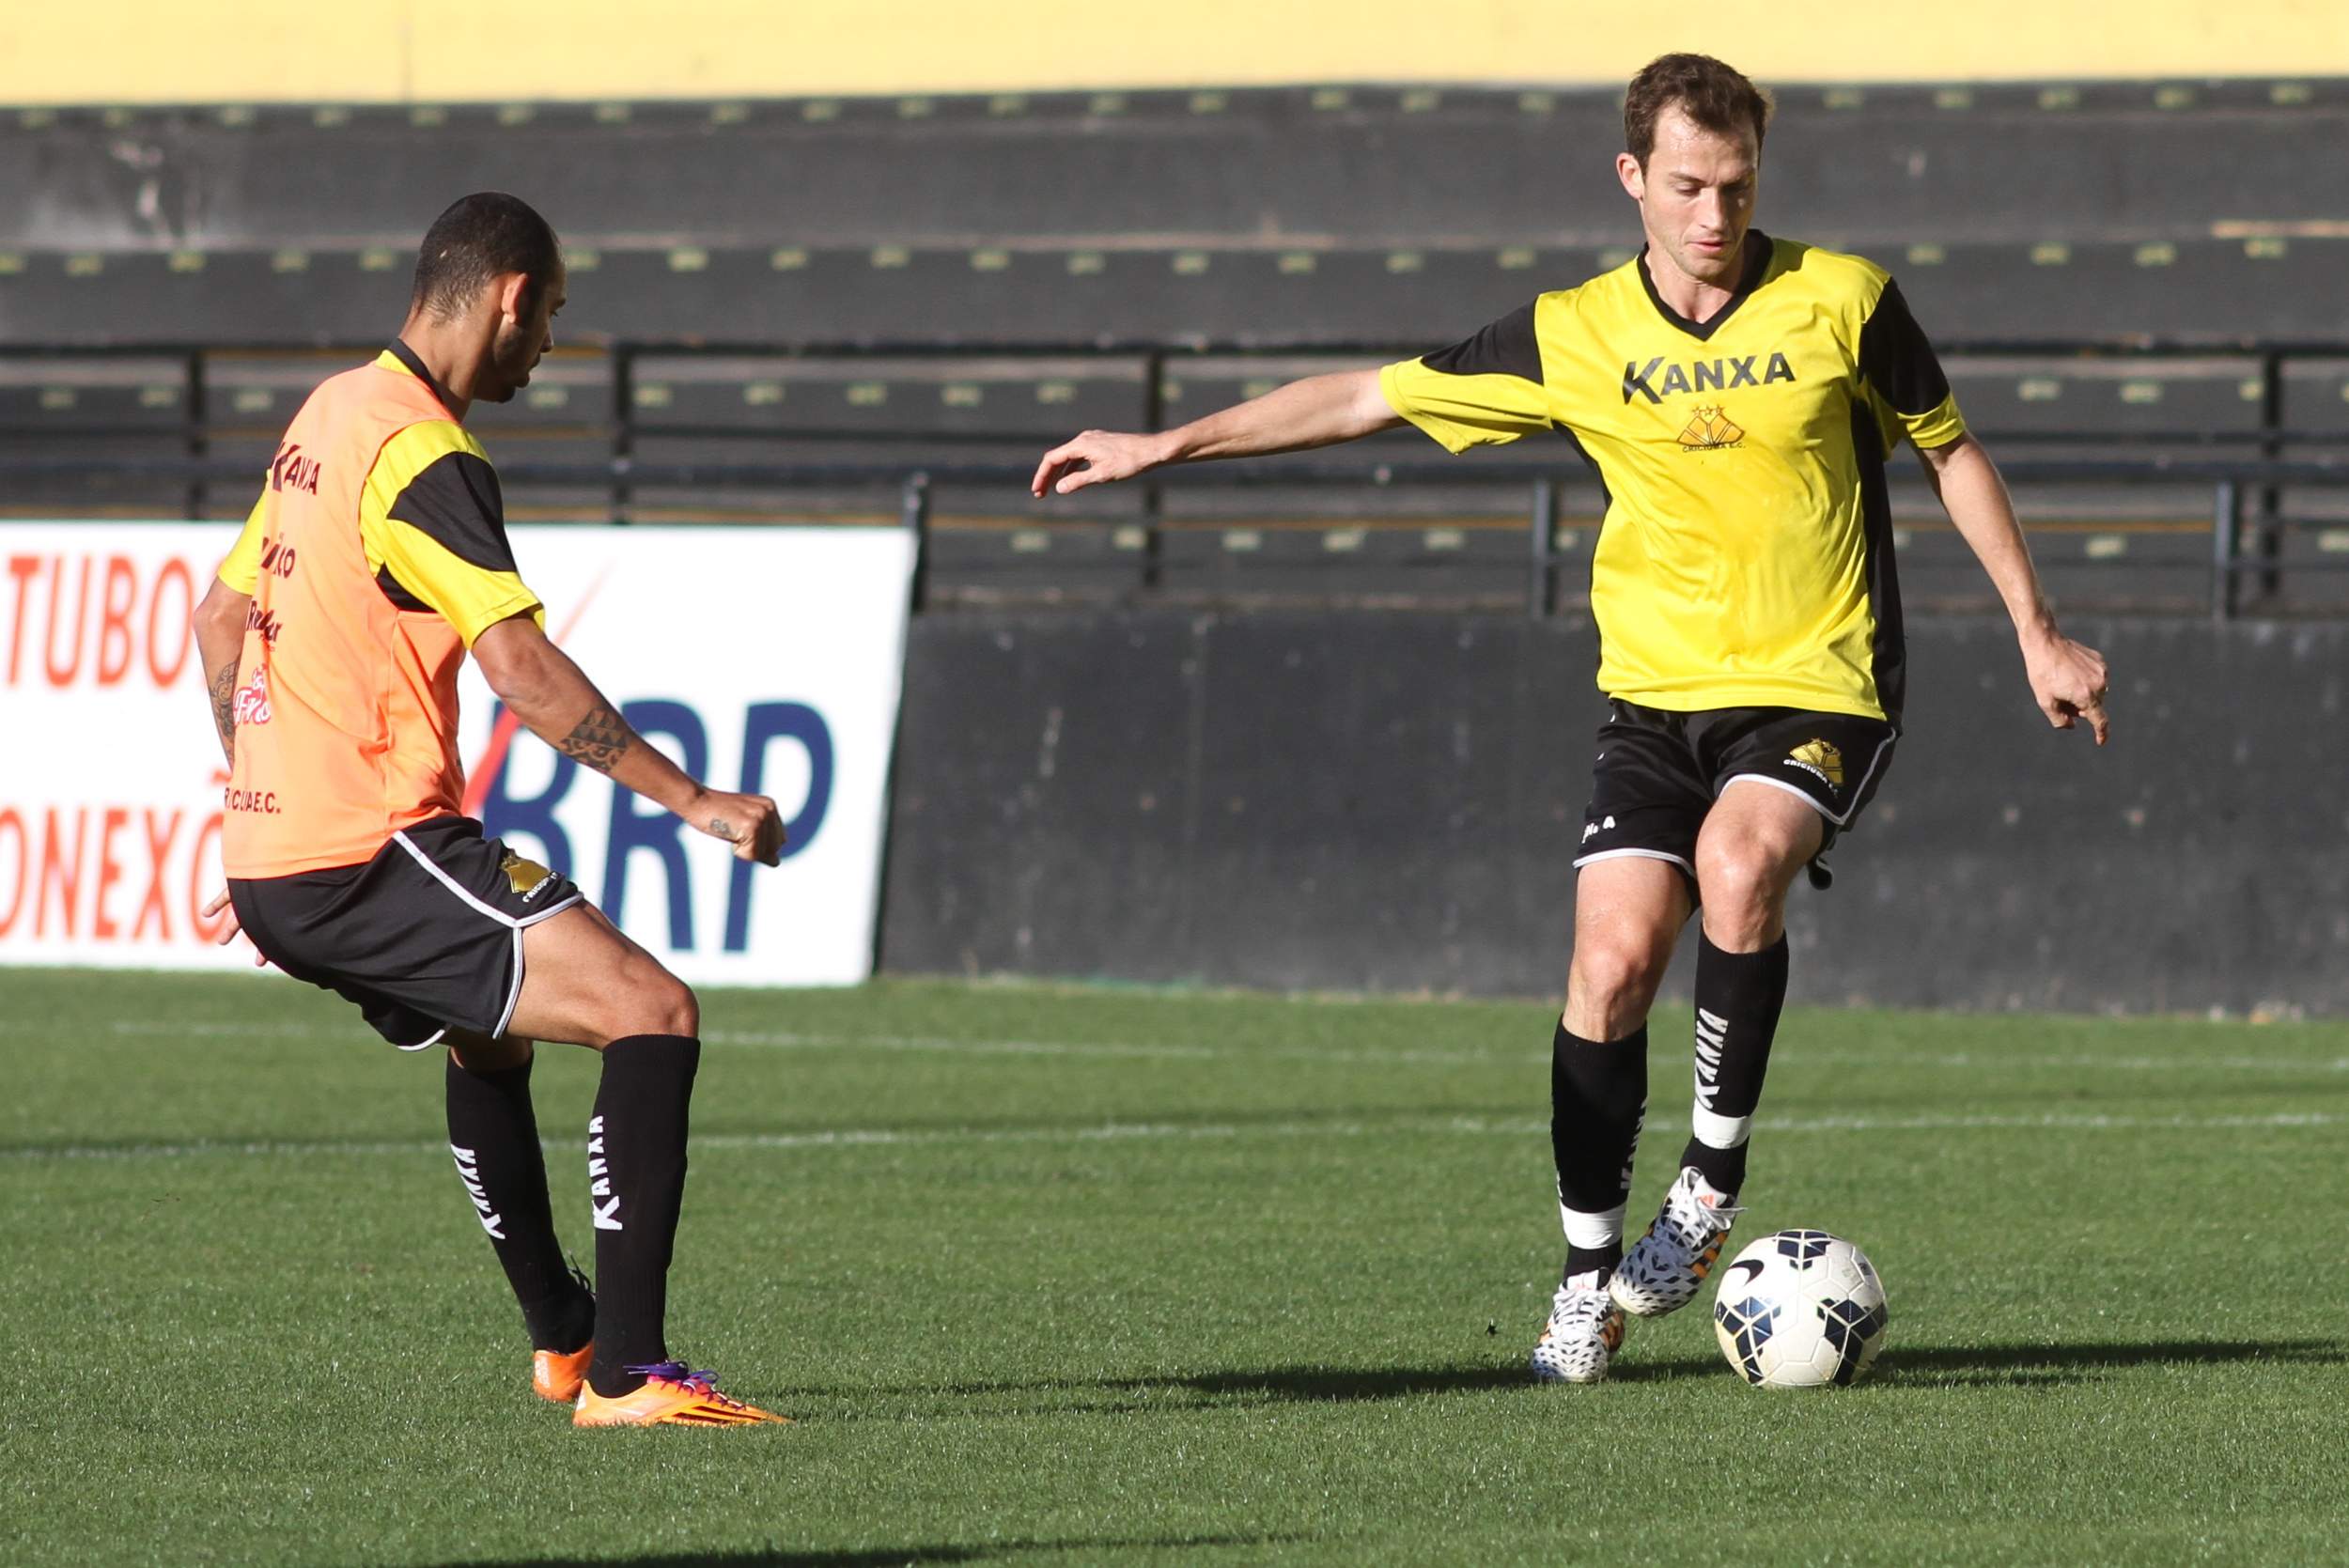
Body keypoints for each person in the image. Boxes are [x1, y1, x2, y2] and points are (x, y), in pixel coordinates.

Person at [1032, 54, 2110, 1383]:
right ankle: (1587, 1281)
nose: (1714, 214)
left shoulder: (1847, 300)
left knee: (1738, 860)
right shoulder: (1576, 332)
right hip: (1652, 699)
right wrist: (1162, 446)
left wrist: (2036, 631)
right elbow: (1368, 395)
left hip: (1819, 679)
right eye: (1686, 186)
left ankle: (1712, 1173)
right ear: (1631, 180)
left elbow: (1950, 451)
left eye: (1736, 185)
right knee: (1607, 966)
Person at [192, 192, 790, 1426]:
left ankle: (566, 1341)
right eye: (553, 315)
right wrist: (695, 802)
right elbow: (519, 664)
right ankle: (632, 1373)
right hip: (365, 842)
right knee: (651, 1010)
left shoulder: (326, 417)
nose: (552, 346)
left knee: (489, 1035)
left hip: (274, 849)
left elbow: (218, 616)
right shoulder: (422, 449)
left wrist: (255, 780)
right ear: (509, 297)